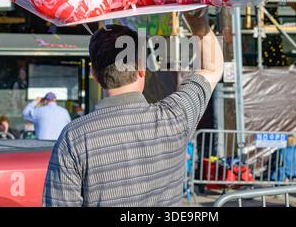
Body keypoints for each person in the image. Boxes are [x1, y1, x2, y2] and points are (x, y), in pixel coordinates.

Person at [43, 11, 224, 207]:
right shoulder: (175, 117)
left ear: (94, 74)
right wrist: (193, 15)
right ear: (141, 68)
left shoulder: (74, 137)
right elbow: (212, 67)